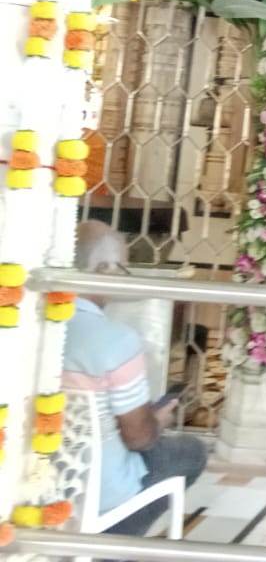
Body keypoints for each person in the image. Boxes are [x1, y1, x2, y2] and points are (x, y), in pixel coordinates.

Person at [62, 221, 207, 536]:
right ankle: (112, 542)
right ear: (103, 269)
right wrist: (157, 420)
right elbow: (139, 438)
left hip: (39, 477)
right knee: (191, 451)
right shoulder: (116, 340)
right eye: (123, 269)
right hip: (99, 488)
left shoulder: (28, 327)